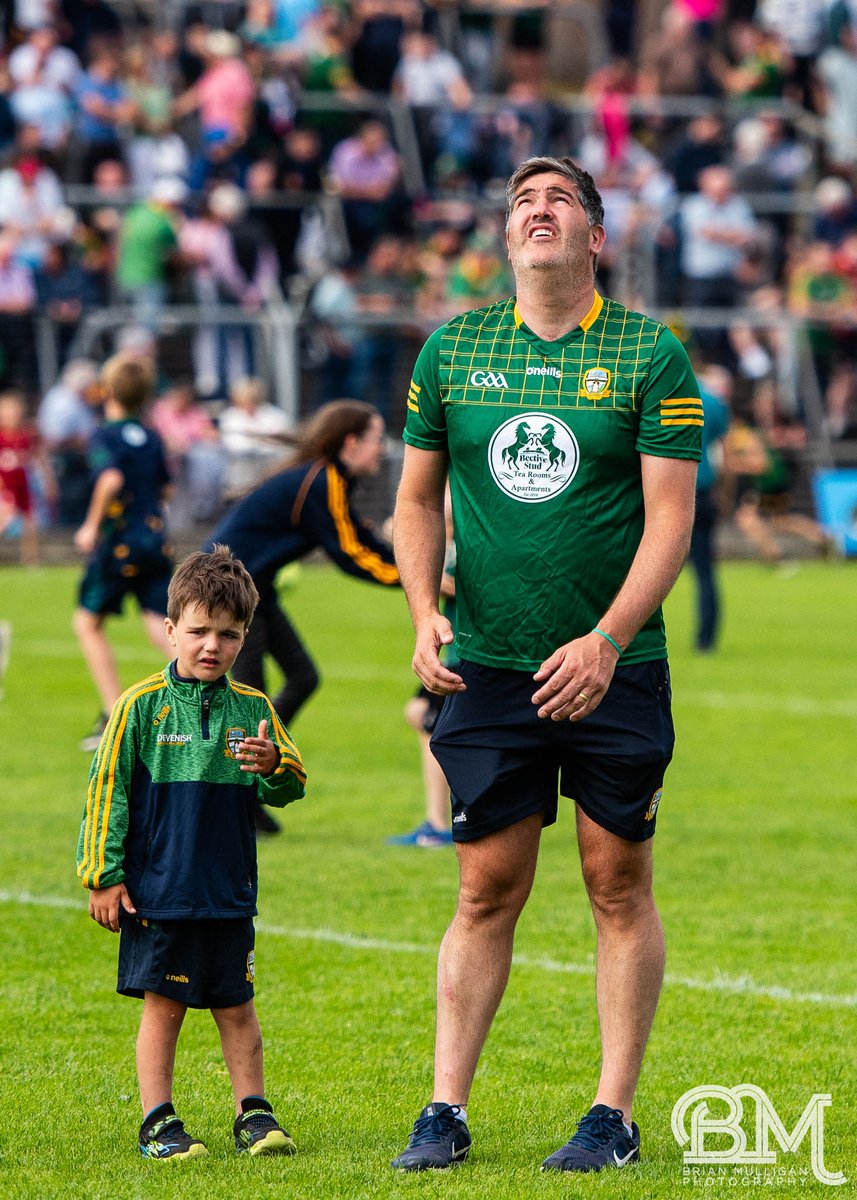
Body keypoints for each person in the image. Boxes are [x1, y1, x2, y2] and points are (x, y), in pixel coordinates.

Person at [391, 156, 702, 1174]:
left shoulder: (652, 356)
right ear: (505, 235)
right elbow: (415, 500)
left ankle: (610, 1116)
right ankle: (444, 1110)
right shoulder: (452, 349)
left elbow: (670, 521)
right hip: (485, 662)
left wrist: (606, 641)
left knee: (615, 880)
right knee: (484, 885)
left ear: (594, 237)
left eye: (558, 199)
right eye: (521, 200)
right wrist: (420, 609)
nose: (536, 210)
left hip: (616, 666)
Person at [76, 545, 306, 1160]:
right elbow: (107, 792)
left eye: (228, 635)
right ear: (171, 630)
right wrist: (103, 875)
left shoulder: (255, 710)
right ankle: (159, 1121)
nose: (212, 646)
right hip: (161, 891)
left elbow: (290, 786)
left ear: (244, 638)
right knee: (166, 1006)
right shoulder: (139, 708)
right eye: (199, 631)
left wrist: (275, 764)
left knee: (238, 1006)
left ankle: (253, 1114)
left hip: (228, 889)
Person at [206, 400, 398, 833]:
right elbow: (348, 555)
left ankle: (247, 786)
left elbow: (361, 538)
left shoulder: (329, 481)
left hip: (254, 591)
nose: (381, 450)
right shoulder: (322, 481)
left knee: (303, 677)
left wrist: (417, 566)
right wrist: (412, 581)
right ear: (351, 442)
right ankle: (233, 799)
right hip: (227, 593)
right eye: (375, 439)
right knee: (249, 700)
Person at [72, 352, 174, 751]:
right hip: (154, 538)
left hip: (119, 544)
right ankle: (210, 691)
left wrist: (91, 526)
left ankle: (113, 714)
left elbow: (110, 478)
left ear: (107, 390)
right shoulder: (152, 436)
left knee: (87, 623)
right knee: (158, 624)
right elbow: (167, 488)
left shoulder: (104, 434)